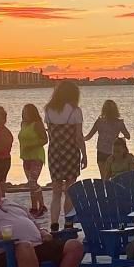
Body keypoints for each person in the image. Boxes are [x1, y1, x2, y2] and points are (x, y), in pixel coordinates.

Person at [45, 80, 86, 231]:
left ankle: (54, 223)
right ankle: (68, 222)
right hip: (70, 152)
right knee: (70, 190)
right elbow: (78, 137)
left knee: (56, 192)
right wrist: (84, 154)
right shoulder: (75, 111)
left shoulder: (49, 109)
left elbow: (50, 133)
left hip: (54, 152)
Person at [85, 100, 131, 179]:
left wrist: (78, 138)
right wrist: (120, 138)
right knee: (114, 176)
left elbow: (89, 136)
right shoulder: (119, 123)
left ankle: (104, 190)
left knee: (103, 178)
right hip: (115, 152)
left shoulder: (99, 122)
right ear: (116, 111)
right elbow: (128, 136)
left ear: (103, 110)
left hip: (101, 152)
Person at [18, 103, 48, 217]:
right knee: (30, 184)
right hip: (26, 157)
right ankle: (34, 206)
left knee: (32, 182)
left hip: (36, 156)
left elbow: (45, 140)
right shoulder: (23, 124)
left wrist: (32, 145)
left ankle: (42, 206)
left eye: (27, 113)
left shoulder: (37, 124)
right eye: (23, 113)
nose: (25, 115)